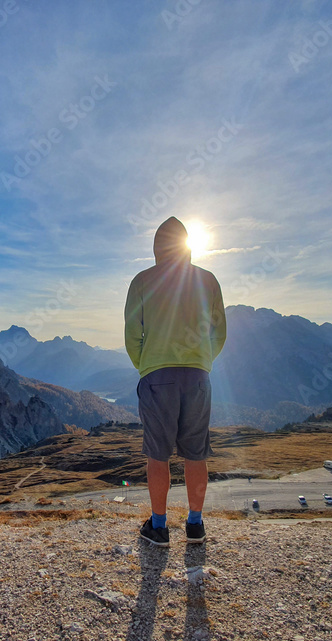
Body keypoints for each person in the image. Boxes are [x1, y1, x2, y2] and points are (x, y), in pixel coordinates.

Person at [123, 216, 227, 546]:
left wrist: (146, 366)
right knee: (196, 453)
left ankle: (159, 526)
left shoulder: (142, 281)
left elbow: (131, 334)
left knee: (158, 454)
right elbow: (219, 332)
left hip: (157, 378)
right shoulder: (208, 280)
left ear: (156, 247)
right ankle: (195, 524)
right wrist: (203, 361)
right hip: (198, 377)